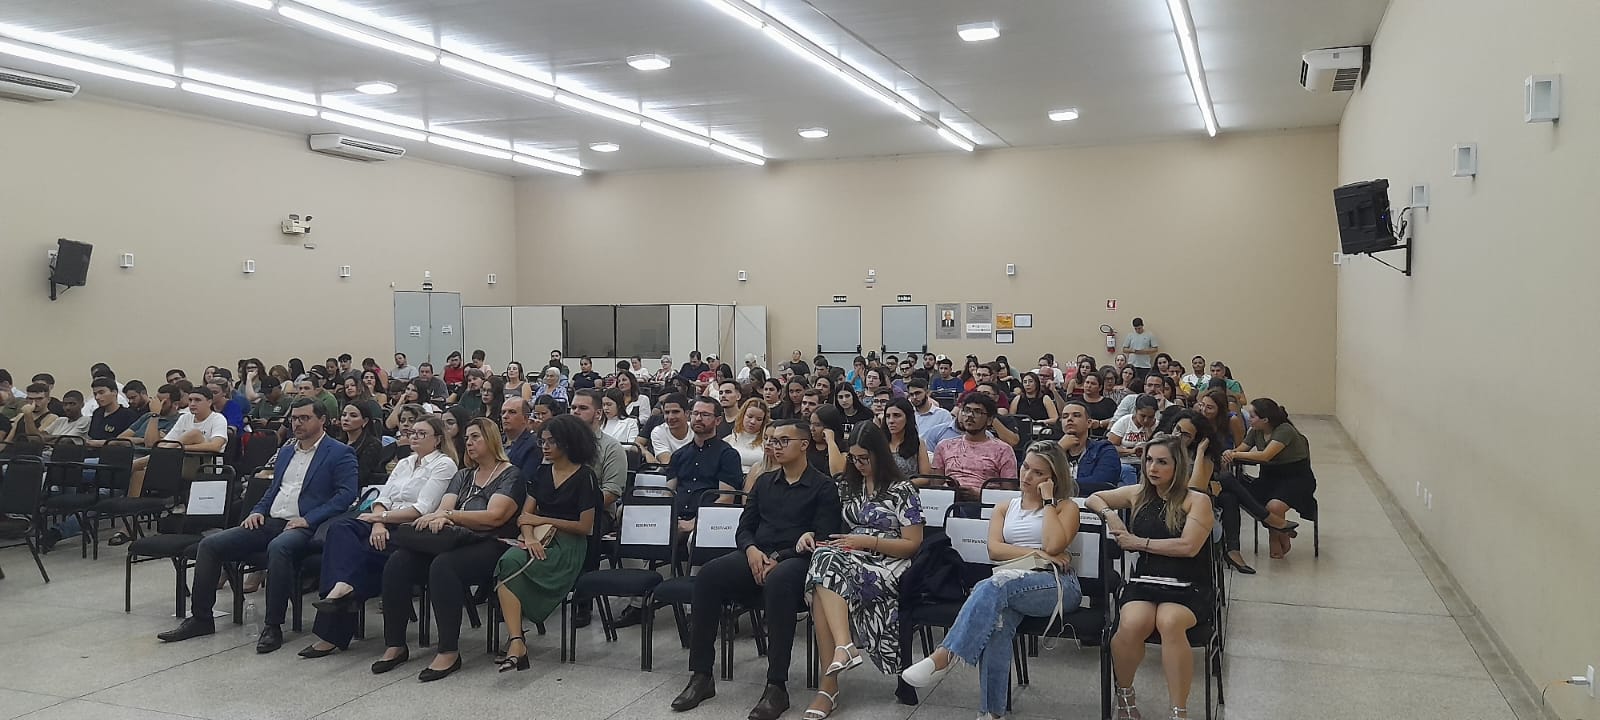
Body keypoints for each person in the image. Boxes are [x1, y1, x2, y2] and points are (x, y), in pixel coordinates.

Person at [670, 419, 844, 720]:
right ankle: (701, 675)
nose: (775, 446)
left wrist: (777, 556)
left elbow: (823, 535)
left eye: (782, 441)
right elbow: (744, 528)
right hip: (757, 555)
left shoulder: (824, 486)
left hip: (799, 560)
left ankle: (777, 685)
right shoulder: (764, 482)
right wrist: (751, 550)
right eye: (772, 441)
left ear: (803, 444)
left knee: (779, 581)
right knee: (709, 575)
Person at [157, 399, 359, 652]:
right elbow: (273, 490)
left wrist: (309, 518)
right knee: (210, 545)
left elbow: (346, 495)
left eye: (304, 418)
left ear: (322, 420)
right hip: (271, 520)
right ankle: (201, 618)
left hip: (305, 525)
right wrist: (257, 510)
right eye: (294, 418)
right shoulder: (286, 451)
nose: (297, 423)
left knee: (279, 548)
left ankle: (272, 625)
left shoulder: (339, 452)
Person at [902, 441, 1082, 719]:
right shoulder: (1004, 506)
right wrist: (1037, 552)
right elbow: (995, 550)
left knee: (992, 586)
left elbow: (1055, 544)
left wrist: (1047, 502)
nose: (1026, 476)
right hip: (1009, 581)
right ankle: (990, 714)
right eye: (1025, 467)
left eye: (1037, 473)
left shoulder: (1065, 507)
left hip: (1057, 585)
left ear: (1053, 478)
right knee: (998, 623)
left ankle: (944, 656)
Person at [373, 418, 524, 681]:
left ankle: (448, 651)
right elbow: (444, 508)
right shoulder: (464, 474)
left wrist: (451, 516)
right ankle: (395, 644)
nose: (469, 442)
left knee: (444, 566)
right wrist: (444, 515)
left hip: (492, 543)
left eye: (476, 437)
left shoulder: (511, 474)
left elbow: (494, 516)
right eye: (467, 438)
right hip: (454, 539)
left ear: (491, 440)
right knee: (399, 561)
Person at [300, 415, 457, 657]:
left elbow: (422, 508)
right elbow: (382, 499)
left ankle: (332, 628)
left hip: (412, 528)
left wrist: (380, 520)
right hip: (383, 523)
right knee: (341, 530)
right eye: (412, 432)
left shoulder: (443, 464)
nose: (413, 436)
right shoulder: (405, 462)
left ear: (437, 439)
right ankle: (342, 588)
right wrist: (378, 525)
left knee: (356, 557)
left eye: (421, 433)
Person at [1086, 435, 1214, 720]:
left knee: (1169, 622)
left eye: (1161, 462)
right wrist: (1113, 517)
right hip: (1146, 582)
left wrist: (1138, 542)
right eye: (1148, 460)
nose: (1152, 468)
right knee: (1131, 623)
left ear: (1178, 465)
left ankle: (1179, 711)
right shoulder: (1139, 493)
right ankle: (1126, 699)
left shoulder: (1197, 500)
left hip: (1188, 584)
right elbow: (1094, 498)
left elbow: (1188, 547)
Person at [802, 422, 924, 719]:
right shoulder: (849, 485)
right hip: (853, 556)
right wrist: (808, 535)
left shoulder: (902, 489)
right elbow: (830, 526)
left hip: (890, 562)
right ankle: (842, 650)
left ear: (880, 455)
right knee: (823, 566)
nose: (859, 464)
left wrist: (868, 541)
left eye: (864, 459)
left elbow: (913, 545)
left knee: (823, 575)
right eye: (854, 458)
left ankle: (829, 686)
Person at [493, 414, 600, 671]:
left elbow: (585, 527)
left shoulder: (585, 476)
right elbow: (525, 517)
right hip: (539, 538)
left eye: (552, 441)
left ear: (569, 443)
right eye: (542, 441)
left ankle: (516, 642)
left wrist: (544, 520)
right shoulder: (542, 472)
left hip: (570, 545)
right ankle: (517, 641)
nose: (545, 447)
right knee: (507, 563)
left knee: (509, 567)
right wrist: (529, 538)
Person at [1222, 399, 1315, 559]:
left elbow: (1265, 456)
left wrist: (1235, 454)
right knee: (1242, 497)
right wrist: (1230, 453)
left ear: (1265, 419)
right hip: (1268, 478)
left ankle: (1275, 537)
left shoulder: (1285, 430)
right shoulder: (1256, 430)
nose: (1248, 418)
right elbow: (1242, 449)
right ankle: (1283, 528)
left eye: (1252, 416)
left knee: (1274, 506)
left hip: (1296, 478)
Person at [931, 393, 1017, 500]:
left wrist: (980, 496)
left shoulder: (1003, 450)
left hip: (985, 507)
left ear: (989, 420)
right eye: (966, 410)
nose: (970, 415)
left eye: (977, 412)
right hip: (948, 502)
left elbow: (1010, 494)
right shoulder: (944, 446)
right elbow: (935, 486)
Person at [1057, 399, 1124, 495]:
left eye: (1076, 415)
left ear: (1089, 423)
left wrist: (1059, 486)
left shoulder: (1104, 449)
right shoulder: (1053, 449)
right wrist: (1058, 450)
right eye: (1065, 416)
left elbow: (1103, 482)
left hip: (1090, 505)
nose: (1069, 419)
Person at [879, 397, 932, 480]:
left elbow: (925, 478)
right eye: (888, 416)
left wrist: (901, 486)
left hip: (908, 489)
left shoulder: (918, 443)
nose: (891, 421)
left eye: (897, 415)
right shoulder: (879, 443)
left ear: (907, 418)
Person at [338, 402, 384, 483]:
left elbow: (361, 476)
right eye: (344, 415)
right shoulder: (338, 443)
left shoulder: (373, 444)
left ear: (365, 421)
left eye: (353, 416)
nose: (346, 419)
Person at [648, 393, 694, 462]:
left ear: (687, 413)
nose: (670, 417)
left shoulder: (696, 430)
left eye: (675, 412)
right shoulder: (658, 432)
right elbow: (667, 463)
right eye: (667, 412)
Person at [727, 398, 770, 472]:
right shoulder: (728, 440)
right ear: (742, 415)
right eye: (749, 416)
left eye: (759, 419)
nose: (753, 422)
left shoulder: (767, 442)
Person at [809, 404, 849, 476]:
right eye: (811, 424)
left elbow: (838, 473)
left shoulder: (843, 446)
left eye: (817, 425)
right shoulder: (807, 444)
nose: (812, 429)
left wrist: (830, 441)